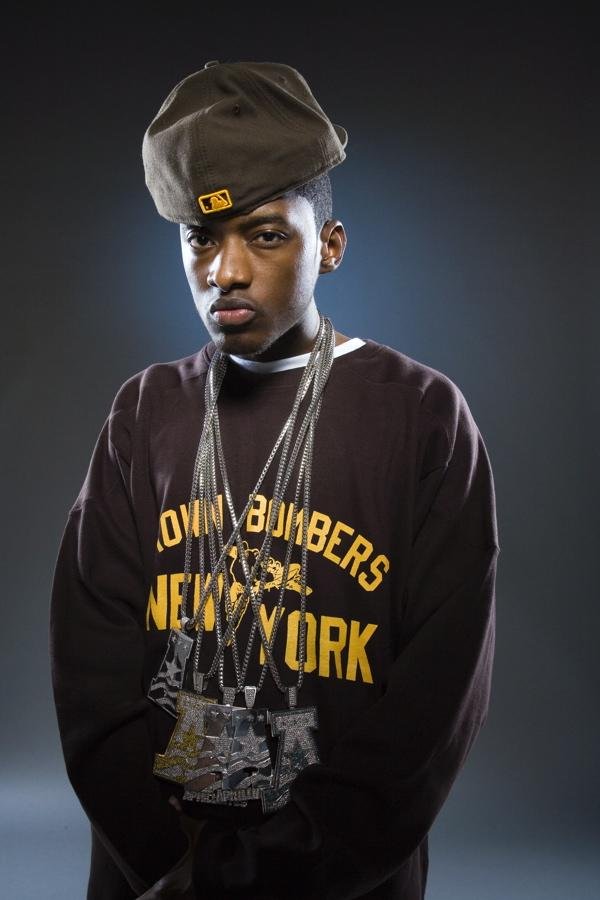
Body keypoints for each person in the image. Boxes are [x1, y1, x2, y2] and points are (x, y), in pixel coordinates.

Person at [50, 60, 500, 900]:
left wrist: (262, 876)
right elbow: (90, 678)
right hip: (151, 875)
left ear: (329, 245)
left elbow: (433, 708)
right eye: (200, 238)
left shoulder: (423, 417)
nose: (225, 270)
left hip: (342, 882)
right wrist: (177, 872)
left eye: (263, 235)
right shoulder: (145, 410)